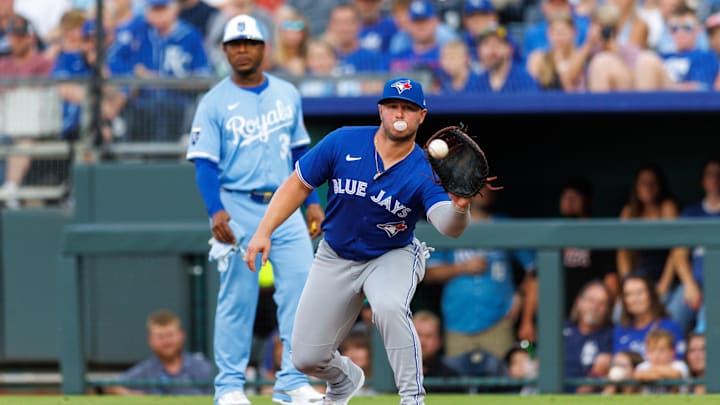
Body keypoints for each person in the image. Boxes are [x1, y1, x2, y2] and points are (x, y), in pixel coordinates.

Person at [244, 76, 474, 405]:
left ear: (421, 116)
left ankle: (412, 398)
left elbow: (448, 225)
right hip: (335, 254)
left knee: (389, 306)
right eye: (393, 105)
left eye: (408, 108)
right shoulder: (344, 141)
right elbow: (298, 184)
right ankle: (346, 379)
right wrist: (264, 230)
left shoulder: (426, 170)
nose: (399, 113)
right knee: (306, 358)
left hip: (390, 255)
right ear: (380, 110)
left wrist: (461, 208)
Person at [185, 14, 325, 405]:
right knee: (237, 299)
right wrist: (215, 210)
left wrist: (312, 202)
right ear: (226, 50)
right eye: (235, 44)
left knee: (301, 294)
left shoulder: (286, 93)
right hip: (238, 202)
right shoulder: (213, 101)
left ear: (264, 48)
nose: (242, 50)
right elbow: (204, 163)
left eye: (249, 43)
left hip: (286, 205)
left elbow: (300, 153)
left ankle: (293, 381)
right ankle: (229, 387)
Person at [105, 309, 214, 395]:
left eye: (170, 335)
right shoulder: (145, 370)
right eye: (160, 337)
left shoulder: (202, 367)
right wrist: (133, 396)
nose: (166, 341)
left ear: (181, 335)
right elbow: (111, 386)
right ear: (150, 341)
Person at [563, 281, 614, 393]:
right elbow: (525, 344)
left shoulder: (611, 334)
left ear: (608, 310)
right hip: (549, 392)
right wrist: (530, 355)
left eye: (602, 303)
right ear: (578, 302)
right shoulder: (560, 328)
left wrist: (597, 375)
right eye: (591, 301)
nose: (595, 307)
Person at [633, 328, 689, 394]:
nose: (656, 355)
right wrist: (662, 374)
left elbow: (676, 374)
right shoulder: (643, 366)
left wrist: (652, 371)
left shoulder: (680, 365)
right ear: (647, 352)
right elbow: (638, 375)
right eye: (652, 350)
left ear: (672, 352)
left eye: (662, 350)